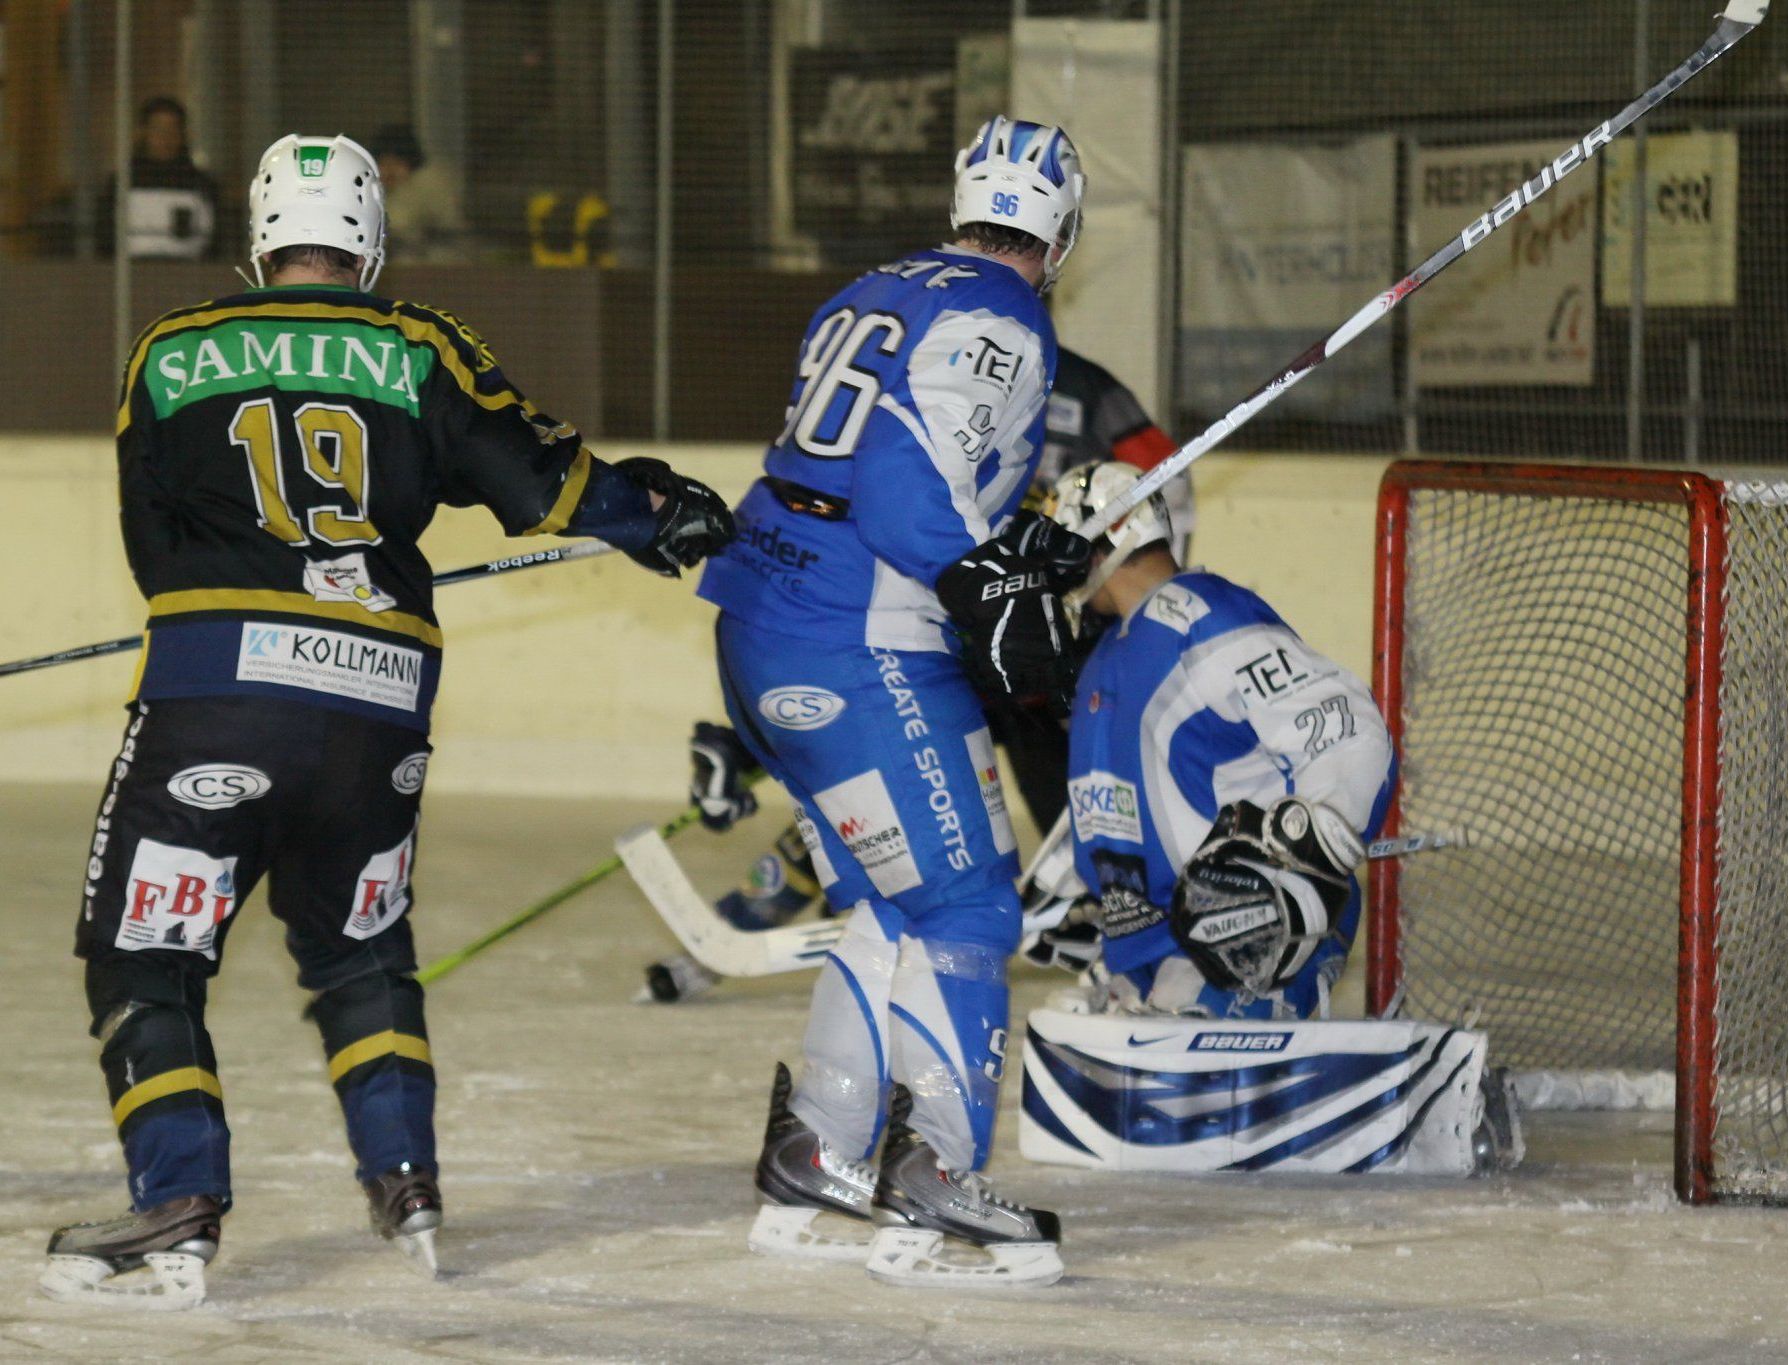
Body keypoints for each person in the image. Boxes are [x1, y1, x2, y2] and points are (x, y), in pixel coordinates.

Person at [40, 133, 733, 1310]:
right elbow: (545, 484)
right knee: (360, 954)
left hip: (217, 695)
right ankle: (405, 1186)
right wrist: (651, 512)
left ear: (257, 235)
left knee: (145, 955)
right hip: (377, 702)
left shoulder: (167, 350)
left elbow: (154, 549)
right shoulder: (419, 345)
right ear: (370, 239)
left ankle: (178, 1203)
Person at [693, 116, 1088, 1288]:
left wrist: (1013, 550)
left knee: (887, 894)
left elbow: (890, 460)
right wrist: (980, 578)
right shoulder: (1003, 314)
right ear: (1059, 228)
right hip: (859, 637)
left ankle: (820, 1143)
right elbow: (905, 478)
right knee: (968, 904)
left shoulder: (877, 287)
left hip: (768, 616)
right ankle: (934, 1173)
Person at [641, 343, 1184, 1003]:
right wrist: (752, 741)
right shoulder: (928, 374)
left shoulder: (1087, 386)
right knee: (877, 785)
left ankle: (1154, 945)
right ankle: (739, 925)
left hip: (1046, 643)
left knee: (1084, 812)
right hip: (957, 632)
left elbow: (1168, 488)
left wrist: (1113, 596)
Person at [1046, 459, 1394, 1020]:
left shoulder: (1203, 618)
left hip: (1236, 941)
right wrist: (1066, 889)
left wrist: (1300, 860)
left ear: (1110, 534)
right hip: (1138, 955)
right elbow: (1112, 792)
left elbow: (1345, 726)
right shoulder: (1107, 653)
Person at [99, 97, 223, 260]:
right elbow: (106, 236)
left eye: (173, 129)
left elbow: (216, 239)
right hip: (132, 273)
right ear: (144, 132)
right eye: (158, 129)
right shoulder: (123, 182)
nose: (166, 137)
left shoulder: (200, 184)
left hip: (190, 274)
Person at [368, 125, 467, 264]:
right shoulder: (372, 192)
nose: (390, 170)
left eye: (397, 163)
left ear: (411, 163)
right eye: (384, 163)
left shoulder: (429, 186)